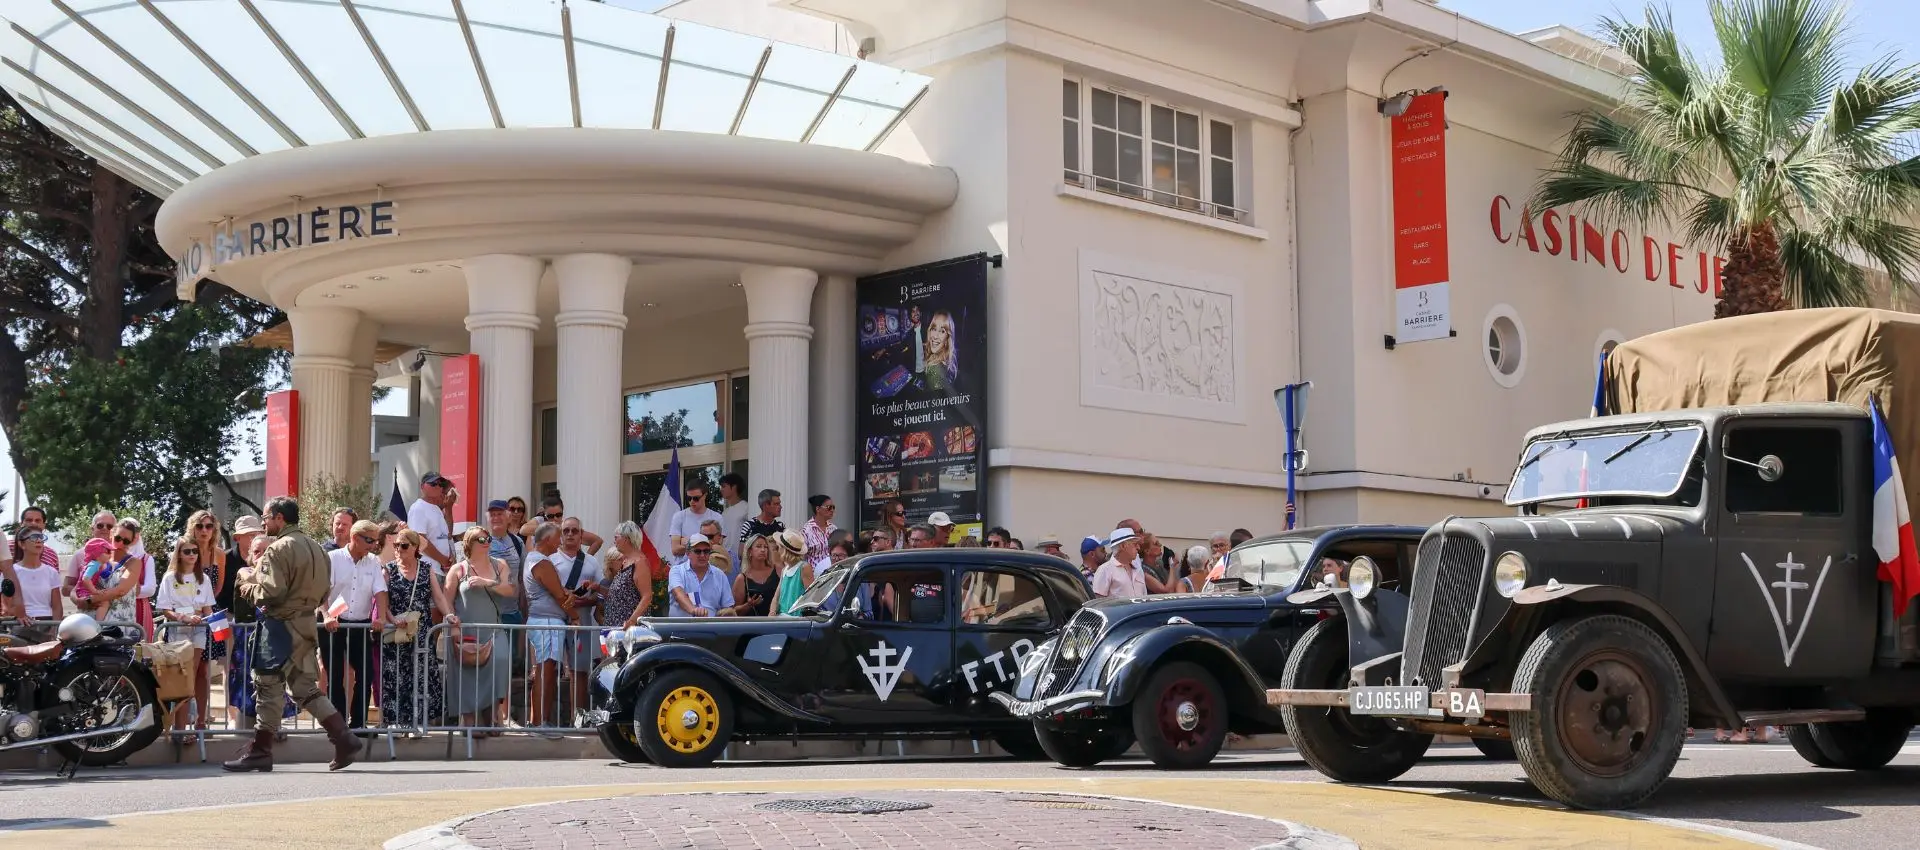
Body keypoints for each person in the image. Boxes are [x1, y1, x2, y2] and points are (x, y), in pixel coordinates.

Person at [224, 497, 360, 773]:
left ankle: (261, 751)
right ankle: (343, 737)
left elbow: (270, 592)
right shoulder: (318, 549)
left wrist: (247, 584)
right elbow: (325, 592)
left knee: (267, 685)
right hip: (306, 623)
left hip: (278, 626)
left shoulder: (278, 549)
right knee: (305, 688)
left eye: (266, 517)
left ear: (279, 518)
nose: (264, 522)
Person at [443, 527, 516, 735]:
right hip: (465, 630)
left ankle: (494, 718)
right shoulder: (458, 569)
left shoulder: (499, 565)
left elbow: (510, 590)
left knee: (499, 664)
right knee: (467, 674)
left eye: (488, 538)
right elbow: (446, 600)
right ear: (469, 543)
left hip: (494, 628)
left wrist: (488, 583)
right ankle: (469, 721)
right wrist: (451, 621)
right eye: (480, 539)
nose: (486, 541)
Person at [322, 519, 390, 733]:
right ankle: (338, 723)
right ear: (355, 538)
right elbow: (322, 591)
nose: (372, 546)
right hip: (334, 623)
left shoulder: (373, 562)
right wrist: (325, 616)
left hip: (360, 624)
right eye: (369, 540)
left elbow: (380, 591)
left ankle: (359, 723)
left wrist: (380, 618)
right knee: (335, 675)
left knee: (366, 674)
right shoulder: (332, 558)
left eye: (376, 541)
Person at [381, 527, 446, 736]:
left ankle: (416, 721)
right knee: (396, 675)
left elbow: (438, 597)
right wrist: (392, 619)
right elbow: (382, 600)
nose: (399, 549)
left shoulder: (426, 569)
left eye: (404, 545)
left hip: (421, 630)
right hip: (396, 631)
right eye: (396, 545)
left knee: (421, 675)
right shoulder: (388, 569)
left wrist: (449, 614)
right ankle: (396, 721)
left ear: (415, 547)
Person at [156, 535, 215, 738]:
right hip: (177, 629)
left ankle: (190, 727)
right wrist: (182, 617)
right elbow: (164, 608)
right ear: (179, 554)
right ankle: (179, 730)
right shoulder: (170, 577)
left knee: (192, 676)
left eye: (195, 551)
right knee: (182, 678)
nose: (192, 555)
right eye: (187, 551)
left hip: (198, 630)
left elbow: (207, 608)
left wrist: (215, 621)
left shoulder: (204, 578)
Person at [1092, 528, 1178, 598]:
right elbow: (1099, 604)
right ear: (1123, 546)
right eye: (1134, 544)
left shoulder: (1138, 569)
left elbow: (1144, 598)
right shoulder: (1105, 570)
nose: (1138, 547)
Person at [668, 534, 739, 617]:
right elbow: (678, 594)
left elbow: (728, 608)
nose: (702, 555)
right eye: (698, 551)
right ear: (688, 553)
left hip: (711, 628)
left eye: (706, 551)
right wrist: (693, 610)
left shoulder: (720, 575)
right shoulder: (677, 571)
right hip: (682, 628)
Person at [601, 521, 654, 629]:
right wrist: (597, 588)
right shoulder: (625, 562)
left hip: (629, 632)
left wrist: (631, 621)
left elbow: (647, 596)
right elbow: (620, 595)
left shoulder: (640, 562)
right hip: (616, 628)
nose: (614, 540)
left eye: (616, 537)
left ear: (626, 538)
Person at [484, 500, 529, 626]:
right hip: (487, 613)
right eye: (492, 515)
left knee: (512, 646)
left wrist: (524, 611)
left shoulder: (517, 542)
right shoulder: (480, 540)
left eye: (500, 514)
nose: (496, 518)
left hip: (511, 612)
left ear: (508, 517)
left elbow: (522, 578)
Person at [409, 472, 456, 574]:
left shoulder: (436, 509)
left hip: (441, 570)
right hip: (427, 571)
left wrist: (450, 556)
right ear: (422, 487)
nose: (438, 487)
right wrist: (443, 560)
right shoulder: (418, 508)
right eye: (433, 483)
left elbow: (445, 536)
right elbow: (419, 540)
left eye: (441, 484)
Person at [8, 531, 61, 622]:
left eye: (41, 537)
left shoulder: (51, 572)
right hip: (20, 622)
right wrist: (18, 616)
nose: (38, 540)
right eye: (34, 537)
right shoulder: (11, 572)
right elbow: (7, 605)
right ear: (22, 544)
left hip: (47, 622)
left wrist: (54, 629)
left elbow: (57, 607)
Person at [670, 482, 725, 563]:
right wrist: (706, 544)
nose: (692, 501)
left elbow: (718, 549)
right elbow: (675, 550)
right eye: (689, 498)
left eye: (696, 498)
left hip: (709, 568)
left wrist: (689, 542)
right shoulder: (679, 516)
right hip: (683, 570)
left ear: (705, 495)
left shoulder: (717, 517)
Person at [732, 535, 779, 617]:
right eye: (758, 546)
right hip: (752, 626)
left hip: (776, 622)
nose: (763, 550)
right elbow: (734, 612)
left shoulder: (778, 570)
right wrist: (748, 605)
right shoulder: (742, 578)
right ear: (750, 551)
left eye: (766, 547)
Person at [770, 530, 811, 616]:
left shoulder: (804, 567)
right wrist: (772, 613)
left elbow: (810, 597)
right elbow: (776, 597)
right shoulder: (784, 570)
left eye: (778, 547)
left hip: (797, 621)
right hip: (782, 618)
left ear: (784, 550)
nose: (777, 551)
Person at [920, 309, 959, 392]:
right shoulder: (941, 356)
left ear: (947, 338)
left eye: (942, 331)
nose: (935, 336)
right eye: (934, 329)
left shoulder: (937, 370)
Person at [718, 473, 752, 566]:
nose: (721, 489)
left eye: (724, 486)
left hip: (741, 559)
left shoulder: (746, 508)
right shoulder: (725, 512)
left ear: (734, 487)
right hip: (725, 558)